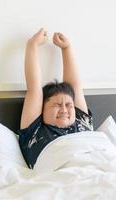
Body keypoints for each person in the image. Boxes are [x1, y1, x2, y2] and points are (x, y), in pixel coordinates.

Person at [17, 28, 93, 169]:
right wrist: (32, 45)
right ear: (42, 109)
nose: (64, 109)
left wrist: (67, 48)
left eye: (69, 105)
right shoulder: (35, 131)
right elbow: (34, 88)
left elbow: (75, 88)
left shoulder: (82, 123)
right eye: (57, 105)